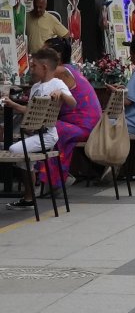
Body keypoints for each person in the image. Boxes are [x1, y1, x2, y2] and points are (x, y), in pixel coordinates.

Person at [3, 48, 78, 209]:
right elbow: (31, 111)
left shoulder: (57, 83)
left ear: (44, 67)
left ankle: (29, 196)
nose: (32, 69)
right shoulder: (36, 87)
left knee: (14, 149)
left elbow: (73, 103)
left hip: (48, 135)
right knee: (22, 155)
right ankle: (28, 198)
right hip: (35, 134)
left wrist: (62, 94)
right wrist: (13, 104)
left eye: (34, 65)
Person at [37, 37, 101, 190]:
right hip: (87, 124)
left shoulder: (59, 72)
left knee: (51, 129)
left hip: (84, 126)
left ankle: (54, 179)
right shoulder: (68, 69)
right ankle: (51, 176)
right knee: (48, 127)